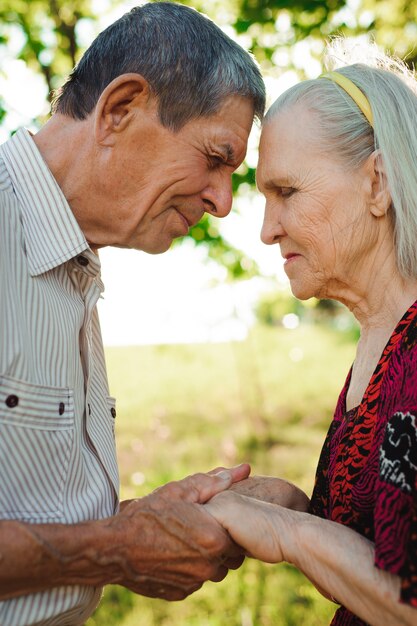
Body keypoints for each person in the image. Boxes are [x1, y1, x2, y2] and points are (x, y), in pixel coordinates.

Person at [0, 3, 266, 624]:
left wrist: (145, 524)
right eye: (215, 158)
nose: (223, 202)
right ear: (120, 109)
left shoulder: (74, 262)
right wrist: (117, 549)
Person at [205, 40, 417, 626]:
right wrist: (291, 505)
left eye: (288, 193)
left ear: (378, 182)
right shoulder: (383, 339)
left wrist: (289, 532)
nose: (268, 230)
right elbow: (379, 549)